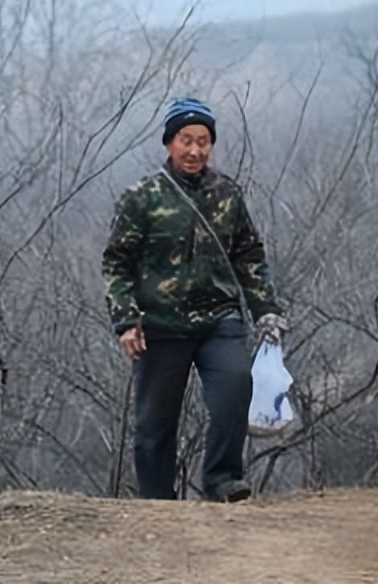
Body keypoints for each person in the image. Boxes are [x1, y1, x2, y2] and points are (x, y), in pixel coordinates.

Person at [103, 96, 288, 502]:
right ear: (169, 143)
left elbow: (248, 256)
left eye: (203, 140)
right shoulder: (142, 197)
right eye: (186, 139)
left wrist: (267, 311)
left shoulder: (227, 194)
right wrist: (126, 319)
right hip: (160, 324)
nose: (194, 150)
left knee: (235, 389)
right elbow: (117, 263)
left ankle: (223, 480)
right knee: (155, 422)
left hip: (218, 318)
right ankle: (156, 500)